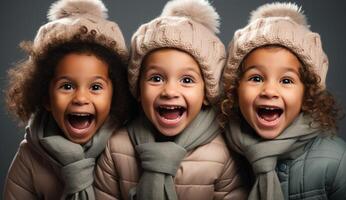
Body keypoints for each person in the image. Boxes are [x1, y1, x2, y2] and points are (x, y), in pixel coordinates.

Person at [94, 0, 247, 199]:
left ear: (207, 94)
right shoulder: (116, 147)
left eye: (187, 80)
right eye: (156, 78)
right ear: (138, 89)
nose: (170, 91)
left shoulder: (222, 154)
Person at [3, 0, 132, 199]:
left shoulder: (124, 150)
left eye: (95, 87)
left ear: (115, 95)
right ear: (45, 96)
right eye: (67, 86)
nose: (80, 98)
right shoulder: (30, 156)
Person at [220, 2, 346, 200]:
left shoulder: (338, 161)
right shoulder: (222, 155)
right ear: (235, 88)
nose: (270, 90)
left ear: (307, 93)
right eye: (256, 78)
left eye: (286, 80)